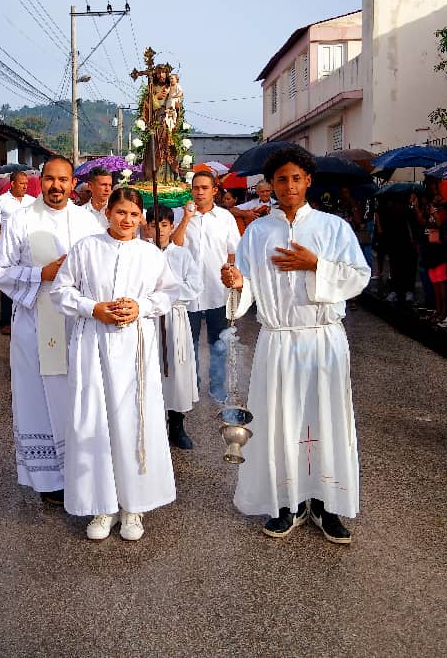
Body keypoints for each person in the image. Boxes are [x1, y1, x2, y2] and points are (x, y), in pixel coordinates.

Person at [220, 146, 369, 545]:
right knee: (279, 422)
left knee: (326, 420)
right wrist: (237, 283)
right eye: (281, 179)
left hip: (322, 338)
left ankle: (326, 504)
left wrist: (315, 264)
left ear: (308, 181)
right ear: (271, 184)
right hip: (279, 339)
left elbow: (359, 276)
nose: (289, 186)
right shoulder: (258, 232)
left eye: (296, 178)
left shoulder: (333, 228)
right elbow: (247, 287)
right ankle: (287, 503)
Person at [50, 188, 180, 540]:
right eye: (121, 212)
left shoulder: (150, 253)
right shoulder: (86, 248)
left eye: (134, 215)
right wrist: (92, 308)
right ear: (107, 212)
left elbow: (168, 292)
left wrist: (141, 306)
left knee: (133, 419)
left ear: (142, 218)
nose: (127, 220)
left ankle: (133, 506)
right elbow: (60, 291)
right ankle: (102, 505)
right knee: (96, 419)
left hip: (135, 346)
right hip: (93, 342)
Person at [0, 157, 104, 506]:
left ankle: (80, 472)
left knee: (78, 396)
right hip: (34, 324)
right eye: (50, 179)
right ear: (42, 181)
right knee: (37, 399)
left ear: (72, 183)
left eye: (63, 180)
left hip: (76, 325)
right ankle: (49, 479)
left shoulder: (87, 221)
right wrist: (41, 273)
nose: (57, 186)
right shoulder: (21, 220)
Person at [171, 170, 240, 405]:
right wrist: (186, 218)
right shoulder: (180, 214)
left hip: (216, 292)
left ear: (214, 191)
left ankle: (217, 386)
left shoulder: (225, 218)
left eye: (204, 188)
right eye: (196, 188)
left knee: (218, 344)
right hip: (187, 294)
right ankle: (193, 385)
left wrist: (231, 275)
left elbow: (233, 251)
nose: (199, 192)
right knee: (188, 344)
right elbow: (174, 244)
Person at [146, 204, 202, 449]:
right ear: (147, 228)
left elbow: (195, 286)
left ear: (171, 226)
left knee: (176, 371)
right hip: (149, 320)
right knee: (152, 370)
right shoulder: (142, 253)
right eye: (154, 225)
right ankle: (153, 427)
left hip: (175, 318)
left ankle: (177, 425)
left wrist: (167, 291)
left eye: (164, 225)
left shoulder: (182, 255)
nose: (159, 230)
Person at [0, 171, 36, 335]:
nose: (25, 186)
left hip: (27, 248)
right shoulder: (1, 201)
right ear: (13, 184)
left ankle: (25, 319)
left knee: (26, 281)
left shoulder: (32, 201)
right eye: (21, 183)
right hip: (8, 248)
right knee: (9, 283)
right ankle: (6, 321)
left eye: (26, 183)